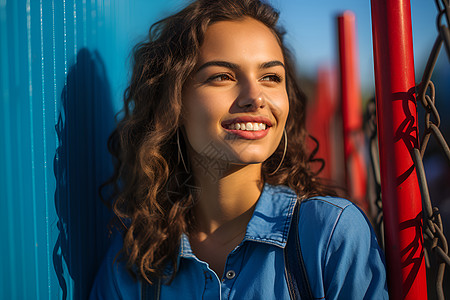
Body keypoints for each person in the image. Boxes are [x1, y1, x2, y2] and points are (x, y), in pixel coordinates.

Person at [90, 0, 388, 299]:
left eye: (270, 77)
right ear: (173, 104)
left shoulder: (330, 234)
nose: (255, 97)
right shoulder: (136, 258)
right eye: (223, 76)